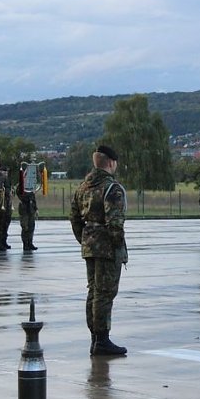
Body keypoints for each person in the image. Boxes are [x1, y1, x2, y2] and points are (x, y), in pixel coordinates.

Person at [69, 145, 129, 357]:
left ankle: (95, 338)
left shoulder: (83, 187)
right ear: (111, 163)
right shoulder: (112, 189)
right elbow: (115, 223)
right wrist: (117, 246)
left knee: (94, 292)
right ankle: (102, 340)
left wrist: (85, 240)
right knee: (105, 293)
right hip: (107, 248)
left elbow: (74, 218)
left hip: (90, 245)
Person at [17, 186, 39, 251]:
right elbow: (21, 196)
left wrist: (36, 209)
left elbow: (33, 198)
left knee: (31, 227)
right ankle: (25, 244)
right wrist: (28, 195)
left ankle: (30, 243)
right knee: (25, 227)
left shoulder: (30, 186)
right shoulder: (21, 185)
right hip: (24, 209)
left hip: (31, 209)